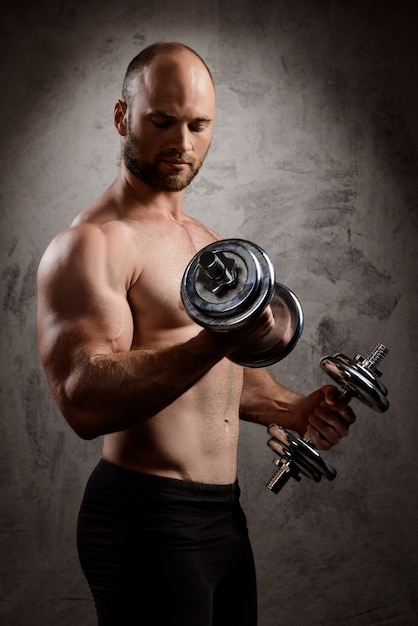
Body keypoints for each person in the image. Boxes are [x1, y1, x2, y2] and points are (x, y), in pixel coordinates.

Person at [37, 42, 356, 626]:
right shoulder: (92, 245)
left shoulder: (205, 242)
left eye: (198, 125)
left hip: (223, 519)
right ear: (122, 117)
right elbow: (83, 398)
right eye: (162, 122)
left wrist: (294, 408)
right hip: (145, 519)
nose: (182, 144)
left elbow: (221, 381)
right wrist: (218, 340)